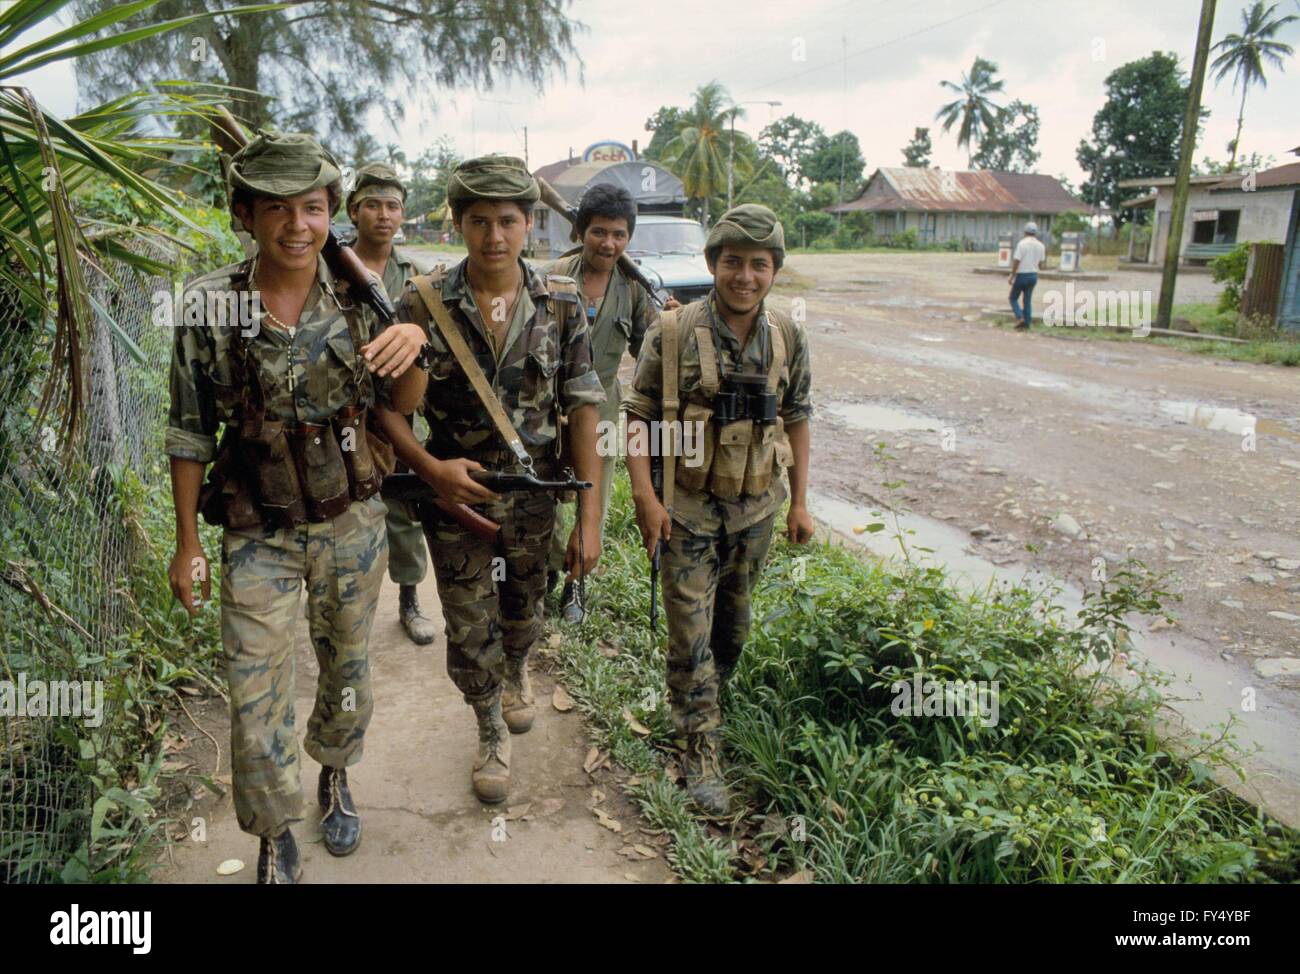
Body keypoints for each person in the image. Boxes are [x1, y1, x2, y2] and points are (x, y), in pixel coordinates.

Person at [165, 132, 429, 883]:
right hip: (256, 528)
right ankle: (273, 828)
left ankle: (336, 774)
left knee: (347, 670)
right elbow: (188, 431)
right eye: (274, 209)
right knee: (254, 694)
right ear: (243, 215)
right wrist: (186, 542)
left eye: (311, 208)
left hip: (350, 518)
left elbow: (400, 407)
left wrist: (412, 345)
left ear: (330, 213)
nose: (295, 226)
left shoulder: (363, 296)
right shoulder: (209, 305)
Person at [374, 155, 605, 804]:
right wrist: (430, 471)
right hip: (454, 499)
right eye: (479, 221)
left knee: (522, 607)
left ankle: (518, 670)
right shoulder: (419, 301)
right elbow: (387, 411)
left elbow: (584, 404)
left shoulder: (560, 303)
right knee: (468, 625)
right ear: (457, 224)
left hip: (534, 498)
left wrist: (588, 519)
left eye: (508, 220)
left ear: (530, 224)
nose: (494, 236)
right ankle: (488, 729)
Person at [622, 204, 814, 816]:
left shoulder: (787, 334)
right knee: (691, 635)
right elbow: (637, 417)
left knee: (733, 631)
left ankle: (703, 696)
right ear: (712, 264)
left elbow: (799, 415)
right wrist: (646, 498)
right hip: (687, 511)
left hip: (756, 509)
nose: (746, 276)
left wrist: (800, 504)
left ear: (775, 271)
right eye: (733, 262)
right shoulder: (673, 332)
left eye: (760, 265)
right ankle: (699, 746)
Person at [542, 183, 678, 622]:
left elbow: (648, 353)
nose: (609, 243)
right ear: (581, 231)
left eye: (619, 235)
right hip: (545, 407)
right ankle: (540, 572)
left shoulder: (634, 289)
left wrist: (671, 327)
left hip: (599, 411)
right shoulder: (552, 278)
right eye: (599, 232)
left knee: (590, 501)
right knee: (543, 497)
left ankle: (575, 585)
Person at [346, 162, 435, 645]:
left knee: (403, 504)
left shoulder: (418, 277)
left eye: (393, 206)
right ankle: (345, 608)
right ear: (354, 211)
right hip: (344, 407)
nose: (383, 215)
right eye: (373, 205)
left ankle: (409, 597)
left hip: (399, 410)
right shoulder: (330, 267)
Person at [1008, 222, 1045, 330]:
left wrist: (1012, 275)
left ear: (1025, 232)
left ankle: (1020, 317)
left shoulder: (1022, 244)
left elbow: (1016, 260)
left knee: (1013, 297)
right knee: (1027, 300)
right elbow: (1041, 263)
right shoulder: (1041, 245)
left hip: (1022, 274)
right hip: (1033, 275)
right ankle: (1027, 323)